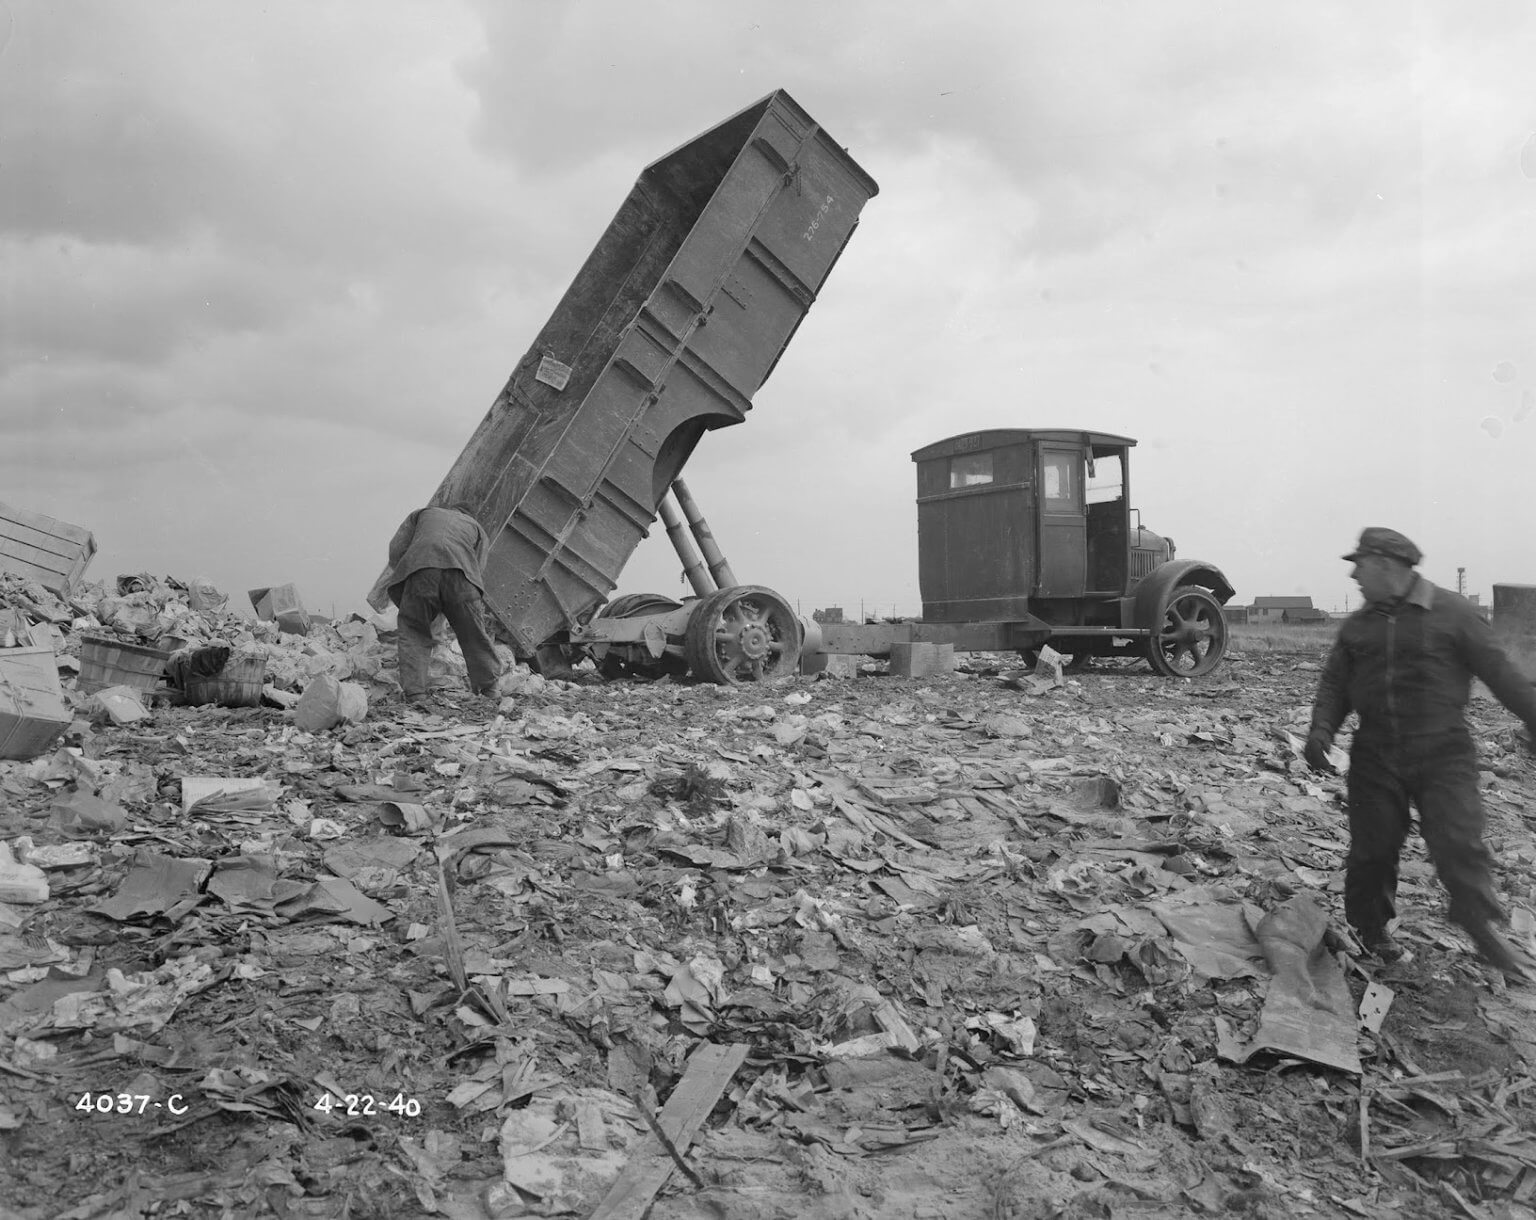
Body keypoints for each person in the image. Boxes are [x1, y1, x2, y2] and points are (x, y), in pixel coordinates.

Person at [1305, 526, 1536, 980]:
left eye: (1360, 566)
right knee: (1373, 848)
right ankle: (1373, 931)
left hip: (1442, 750)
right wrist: (1321, 730)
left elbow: (1502, 673)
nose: (1354, 577)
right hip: (1375, 753)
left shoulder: (1453, 613)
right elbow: (1335, 683)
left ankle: (1479, 925)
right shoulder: (1359, 625)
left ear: (1385, 565)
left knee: (1459, 841)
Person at [383, 502, 502, 706]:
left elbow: (396, 549)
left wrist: (406, 573)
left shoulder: (422, 514)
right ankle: (490, 689)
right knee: (473, 634)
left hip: (421, 572)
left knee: (414, 630)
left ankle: (416, 694)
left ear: (451, 509)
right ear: (468, 515)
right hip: (462, 578)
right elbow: (478, 567)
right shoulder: (476, 528)